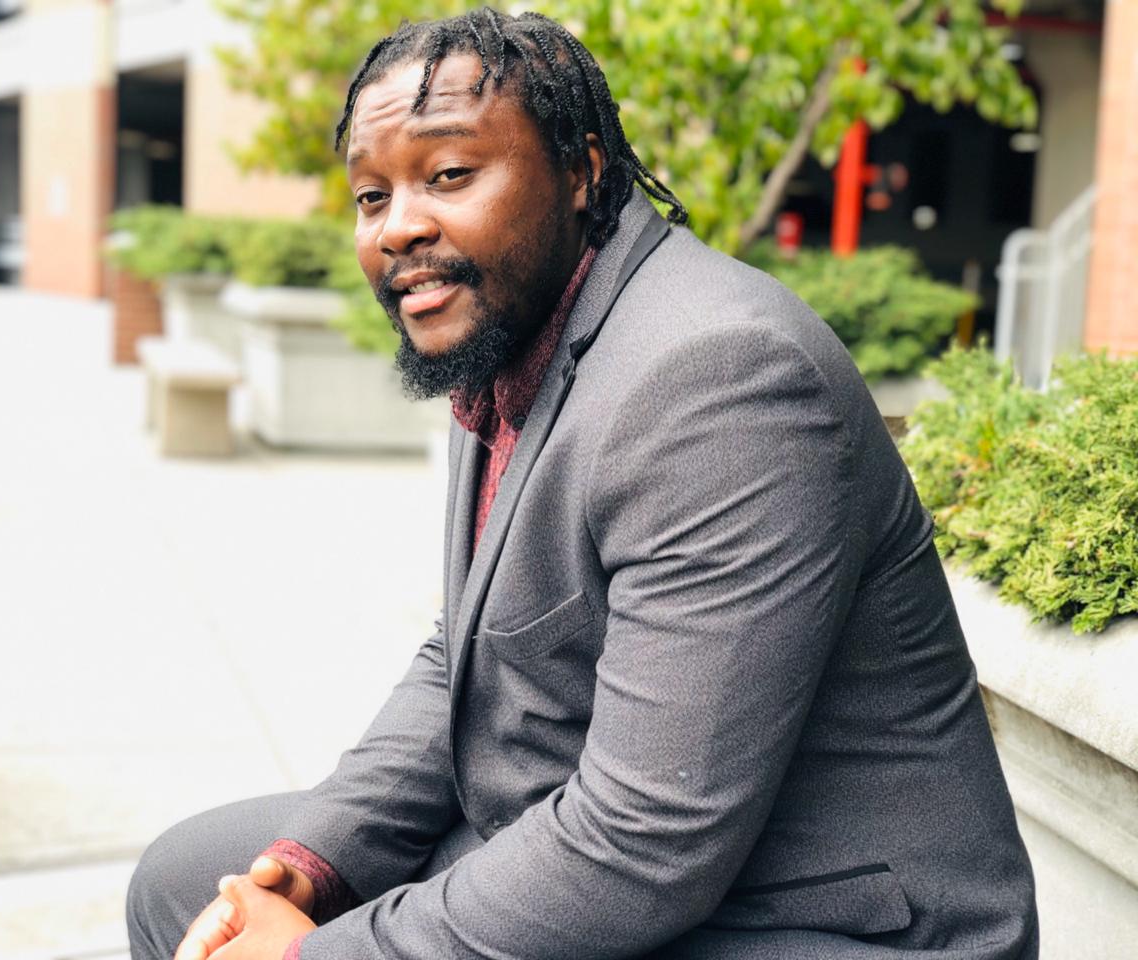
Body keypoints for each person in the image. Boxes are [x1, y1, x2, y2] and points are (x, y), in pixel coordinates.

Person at [127, 9, 1038, 959]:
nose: (399, 227)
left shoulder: (721, 379)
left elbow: (645, 841)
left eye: (449, 174)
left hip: (808, 919)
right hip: (595, 834)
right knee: (189, 882)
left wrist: (315, 954)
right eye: (370, 195)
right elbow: (464, 659)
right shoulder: (509, 337)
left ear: (582, 173)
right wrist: (311, 865)